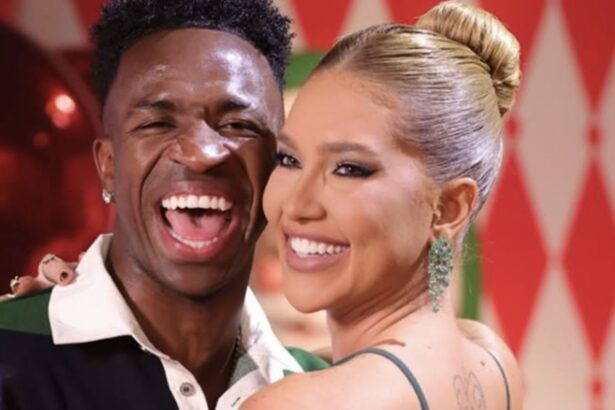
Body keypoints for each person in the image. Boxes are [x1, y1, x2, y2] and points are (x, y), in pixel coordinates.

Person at [4, 1, 523, 409]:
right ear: (107, 163)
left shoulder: (295, 397)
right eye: (291, 159)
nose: (296, 204)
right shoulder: (490, 361)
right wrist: (75, 309)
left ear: (449, 208)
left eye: (350, 168)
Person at [0, 1, 328, 409]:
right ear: (108, 166)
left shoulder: (328, 390)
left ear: (279, 162)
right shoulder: (10, 355)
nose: (201, 154)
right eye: (158, 123)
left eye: (238, 125)